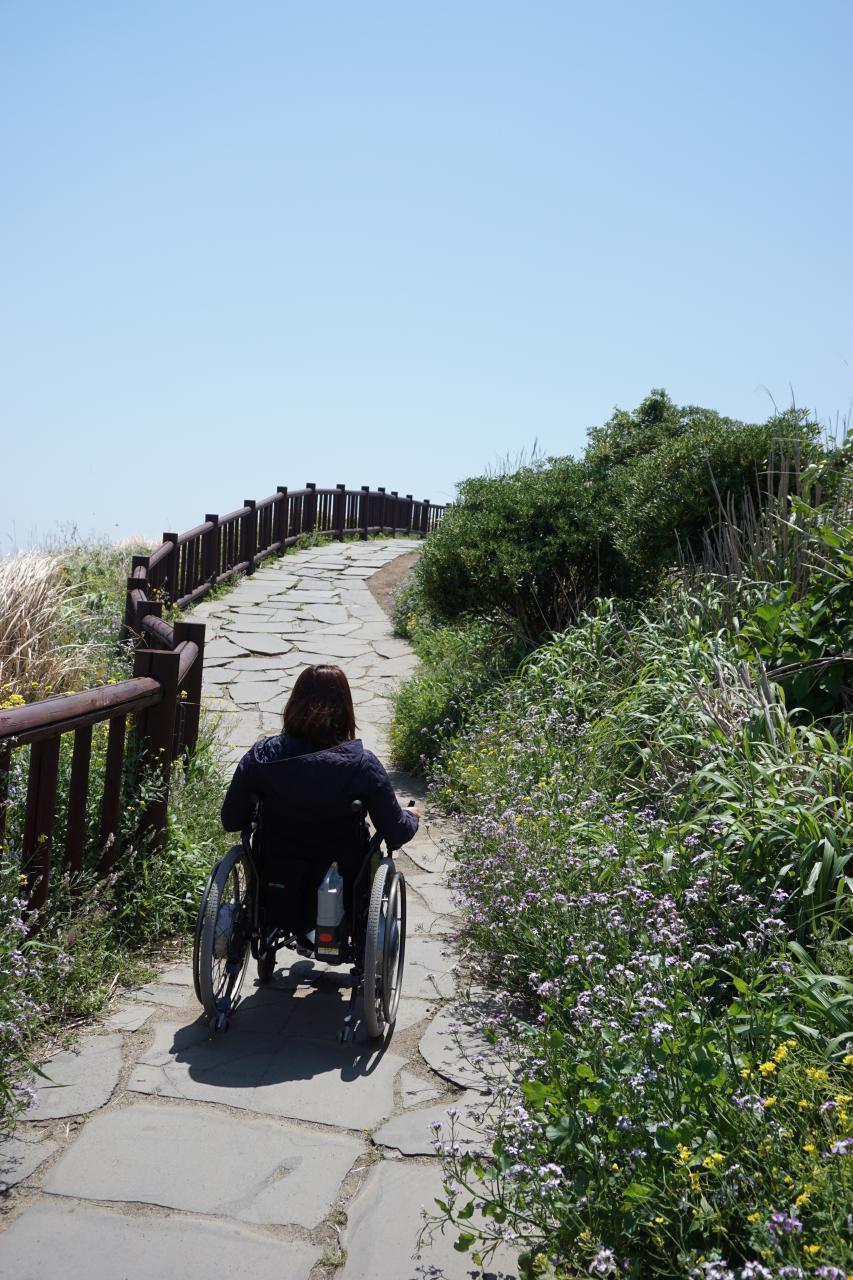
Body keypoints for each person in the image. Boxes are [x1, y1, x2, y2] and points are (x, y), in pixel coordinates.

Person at [221, 663, 420, 932]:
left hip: (275, 878)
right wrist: (411, 817)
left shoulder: (262, 757)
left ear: (294, 703)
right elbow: (395, 832)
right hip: (342, 881)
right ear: (345, 709)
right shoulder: (362, 765)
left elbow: (232, 820)